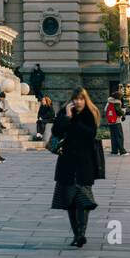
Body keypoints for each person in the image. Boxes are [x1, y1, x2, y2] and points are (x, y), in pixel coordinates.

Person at [50, 88, 103, 248]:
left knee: (83, 200)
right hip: (66, 163)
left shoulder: (89, 114)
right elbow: (56, 131)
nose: (79, 102)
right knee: (70, 202)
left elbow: (89, 134)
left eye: (81, 99)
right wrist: (67, 116)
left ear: (85, 100)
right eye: (76, 99)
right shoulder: (64, 114)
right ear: (72, 100)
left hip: (84, 164)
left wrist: (73, 122)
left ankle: (81, 234)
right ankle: (77, 235)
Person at [105, 90, 126, 155]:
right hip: (116, 121)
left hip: (110, 121)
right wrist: (123, 113)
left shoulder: (109, 101)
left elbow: (105, 109)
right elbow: (118, 111)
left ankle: (114, 151)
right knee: (119, 136)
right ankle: (122, 151)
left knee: (113, 136)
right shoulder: (117, 102)